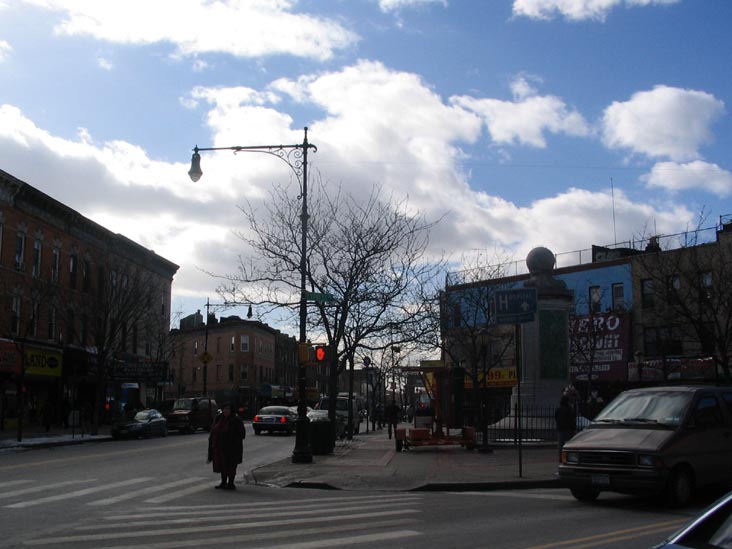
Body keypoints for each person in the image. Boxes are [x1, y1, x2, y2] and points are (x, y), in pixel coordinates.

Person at [207, 402, 245, 490]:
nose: (225, 411)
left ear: (231, 410)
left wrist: (233, 439)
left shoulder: (236, 420)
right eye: (224, 409)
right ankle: (223, 482)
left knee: (231, 466)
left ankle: (231, 483)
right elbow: (213, 431)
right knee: (222, 465)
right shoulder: (218, 418)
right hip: (219, 446)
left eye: (228, 409)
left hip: (232, 448)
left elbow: (242, 434)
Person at [555, 395, 576, 462]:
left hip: (560, 429)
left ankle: (561, 458)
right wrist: (574, 428)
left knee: (561, 445)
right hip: (569, 429)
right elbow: (572, 419)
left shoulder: (558, 409)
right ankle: (569, 457)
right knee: (570, 444)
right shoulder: (569, 409)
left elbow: (556, 418)